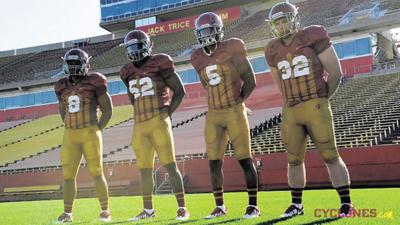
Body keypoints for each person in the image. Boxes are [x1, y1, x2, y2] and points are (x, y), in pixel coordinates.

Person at [264, 2, 353, 218]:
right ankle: (296, 205)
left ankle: (346, 204)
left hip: (315, 104)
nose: (282, 26)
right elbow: (280, 85)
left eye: (285, 20)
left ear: (294, 19)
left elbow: (335, 72)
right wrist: (293, 102)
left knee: (331, 155)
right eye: (278, 22)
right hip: (292, 109)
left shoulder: (313, 34)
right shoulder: (272, 49)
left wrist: (321, 98)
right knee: (293, 159)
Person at [190, 12, 260, 219]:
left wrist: (239, 102)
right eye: (203, 32)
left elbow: (250, 80)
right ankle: (220, 206)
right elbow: (206, 84)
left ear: (219, 29)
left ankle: (253, 206)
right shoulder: (197, 57)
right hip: (213, 114)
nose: (207, 35)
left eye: (210, 30)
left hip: (233, 110)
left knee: (245, 159)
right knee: (213, 162)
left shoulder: (232, 48)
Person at [120, 30, 189, 221]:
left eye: (138, 46)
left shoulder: (160, 61)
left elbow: (180, 91)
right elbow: (133, 97)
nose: (135, 50)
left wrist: (167, 112)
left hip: (159, 120)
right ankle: (148, 210)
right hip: (140, 124)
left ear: (148, 46)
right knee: (144, 170)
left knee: (170, 165)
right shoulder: (126, 71)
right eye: (131, 47)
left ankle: (182, 208)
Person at [55, 48, 113, 223]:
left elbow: (108, 110)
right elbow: (62, 111)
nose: (73, 66)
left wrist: (96, 129)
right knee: (67, 175)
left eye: (76, 63)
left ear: (86, 64)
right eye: (70, 63)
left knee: (96, 172)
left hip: (89, 132)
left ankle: (105, 210)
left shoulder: (95, 81)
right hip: (70, 135)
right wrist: (71, 126)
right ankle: (67, 213)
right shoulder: (60, 86)